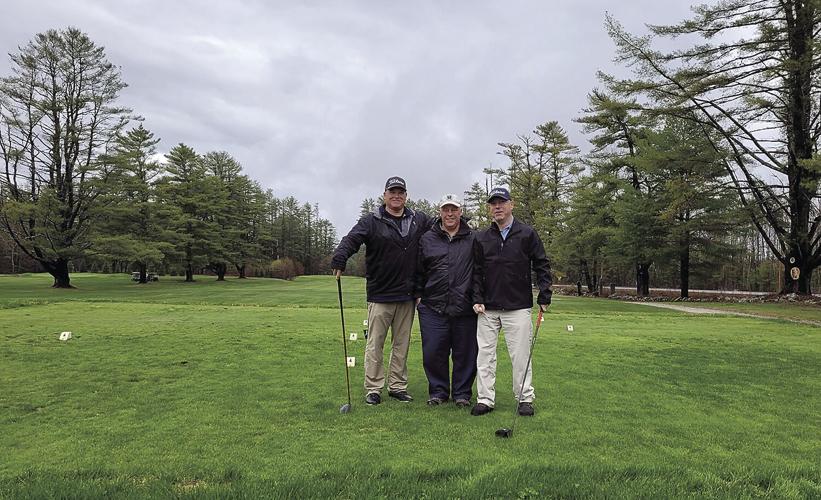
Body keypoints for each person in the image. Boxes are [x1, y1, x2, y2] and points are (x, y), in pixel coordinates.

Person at [331, 176, 432, 405]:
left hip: (407, 295)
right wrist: (340, 257)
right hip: (380, 294)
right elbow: (352, 239)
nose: (396, 196)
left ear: (406, 196)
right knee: (375, 344)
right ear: (385, 195)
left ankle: (397, 386)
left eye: (400, 192)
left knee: (401, 345)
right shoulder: (372, 220)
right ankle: (373, 388)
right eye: (392, 192)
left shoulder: (418, 219)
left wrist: (462, 221)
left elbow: (441, 224)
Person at [471, 187, 552, 417]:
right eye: (493, 203)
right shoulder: (482, 237)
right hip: (487, 307)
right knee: (485, 356)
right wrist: (476, 298)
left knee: (520, 356)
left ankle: (524, 398)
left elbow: (542, 264)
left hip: (518, 306)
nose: (497, 207)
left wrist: (545, 294)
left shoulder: (527, 233)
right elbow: (476, 271)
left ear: (511, 204)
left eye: (502, 202)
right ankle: (485, 399)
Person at [414, 194, 478, 408]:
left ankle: (462, 394)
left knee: (465, 353)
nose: (450, 214)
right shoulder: (427, 238)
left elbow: (480, 271)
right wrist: (418, 295)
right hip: (432, 305)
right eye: (446, 210)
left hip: (464, 306)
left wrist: (477, 298)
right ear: (440, 212)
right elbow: (418, 269)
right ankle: (438, 392)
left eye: (454, 209)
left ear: (460, 212)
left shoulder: (473, 238)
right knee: (434, 352)